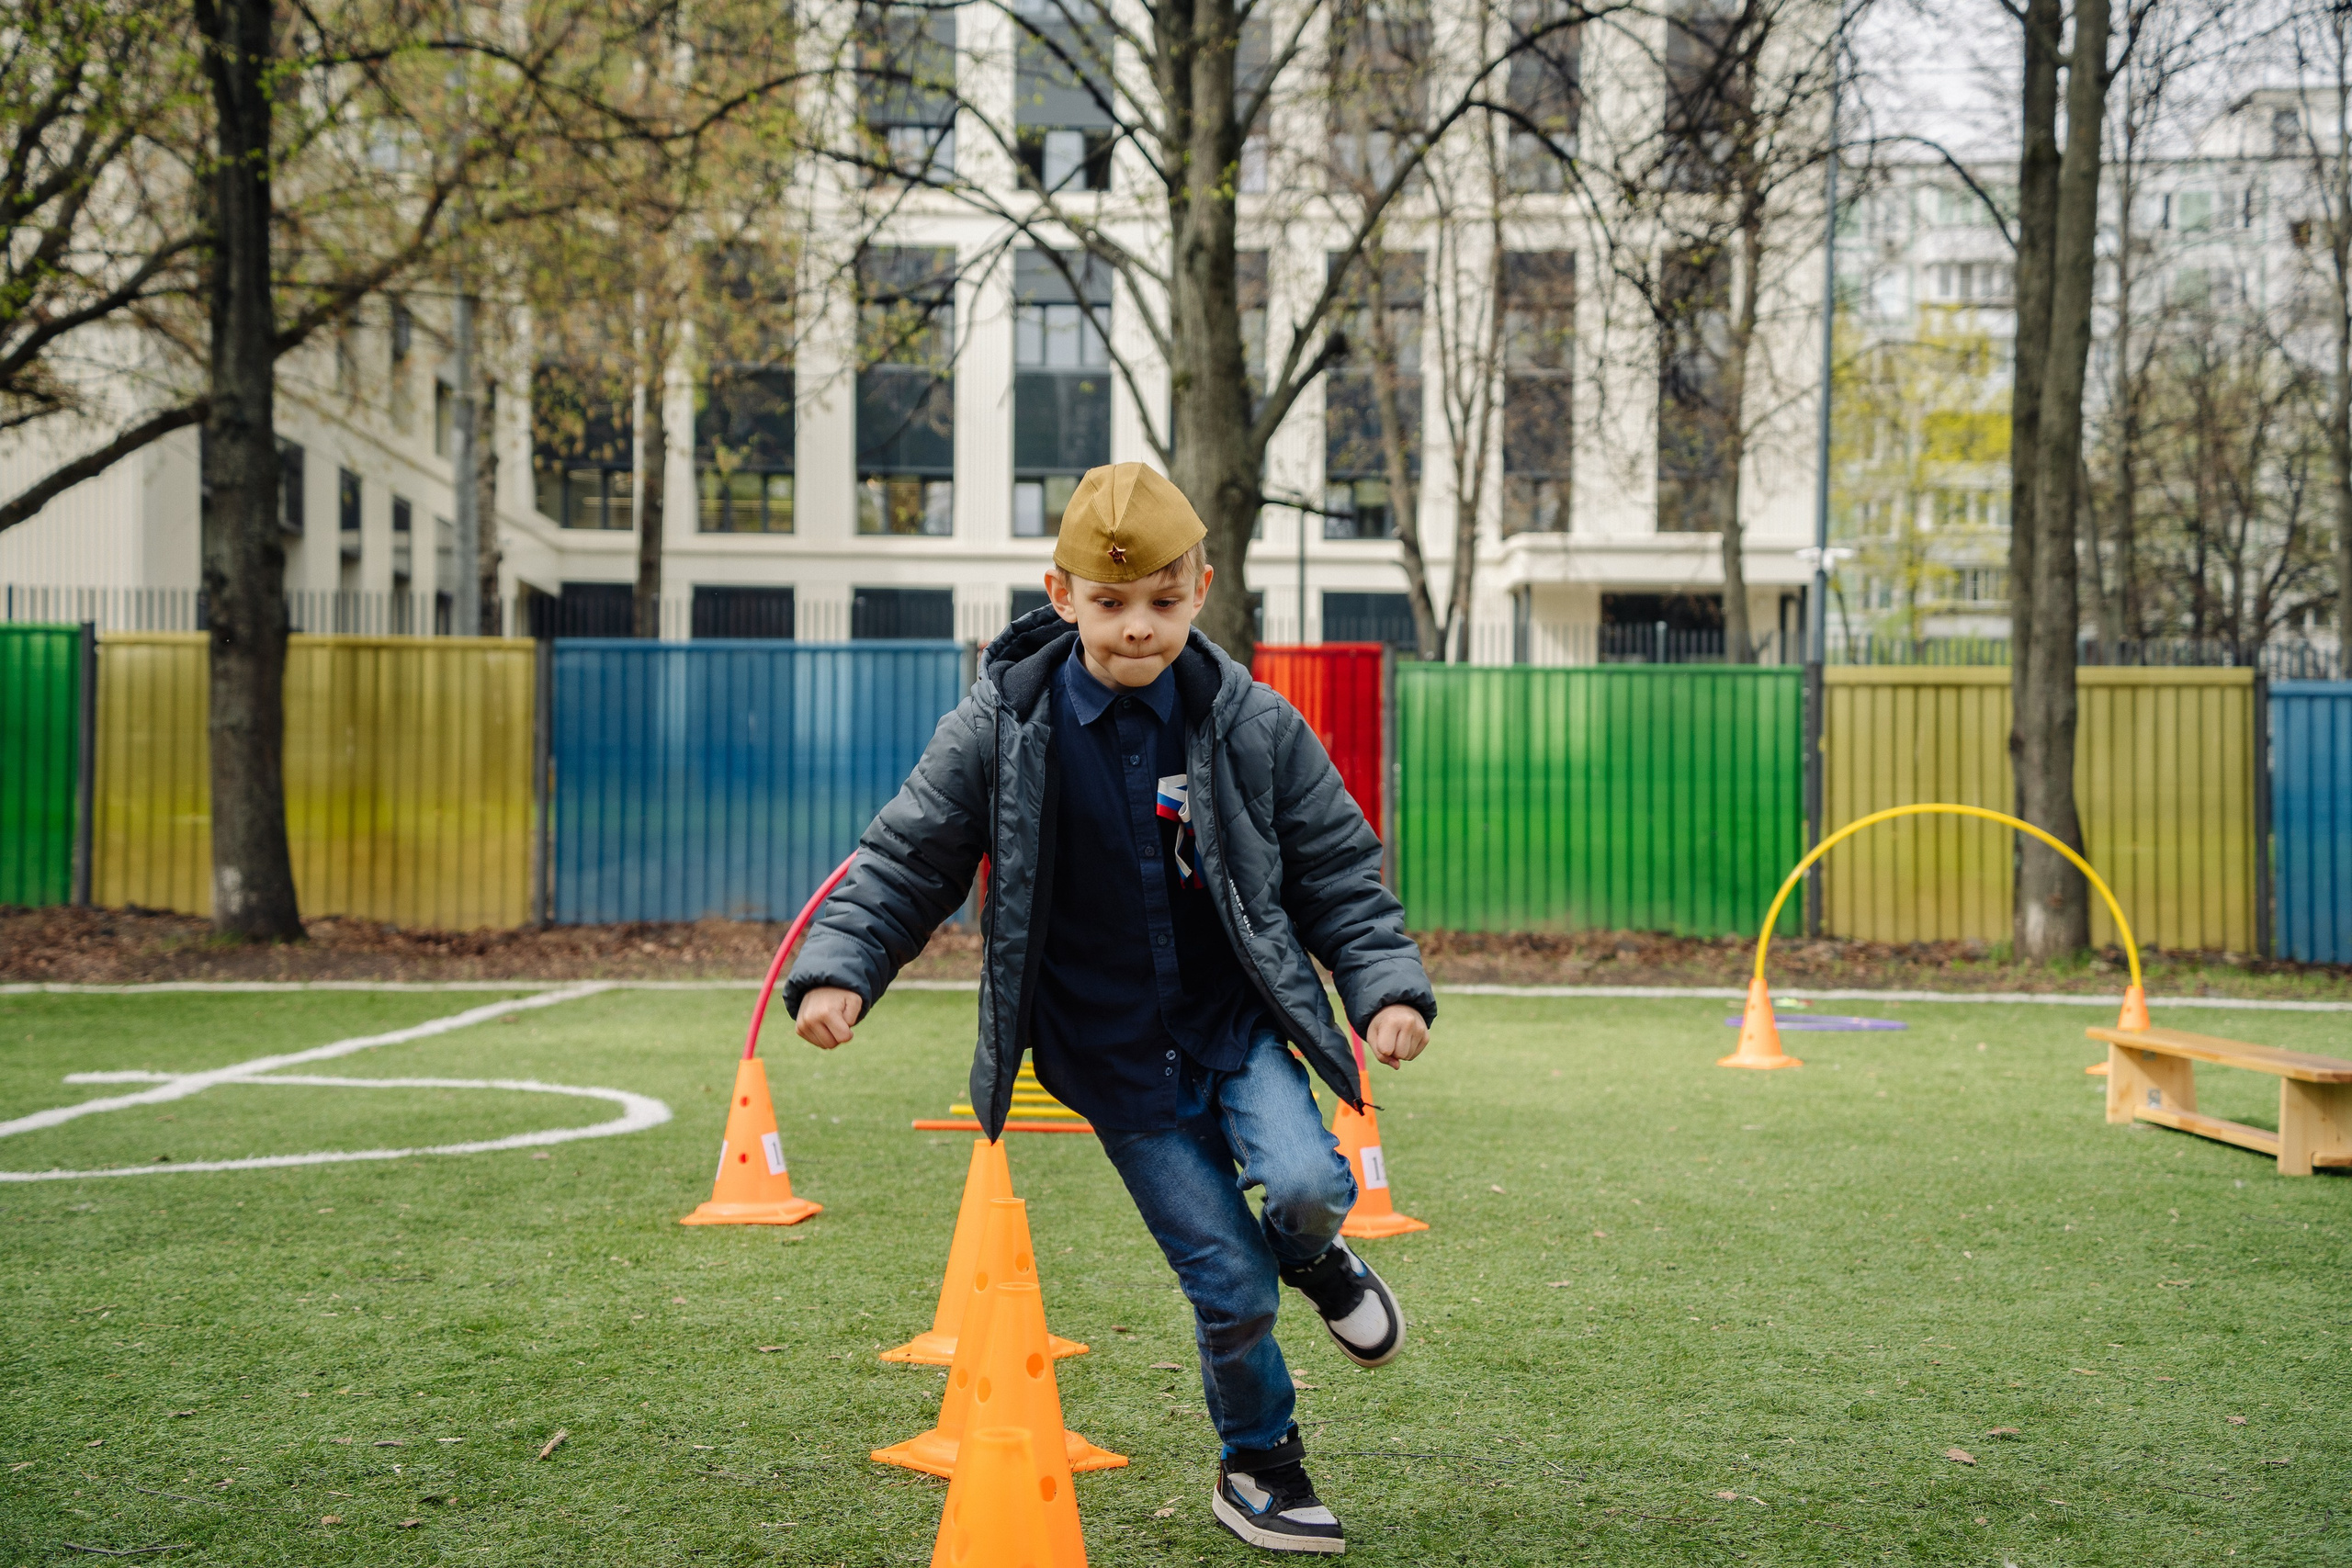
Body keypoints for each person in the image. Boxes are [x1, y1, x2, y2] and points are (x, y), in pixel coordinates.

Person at [786, 461, 1435, 1555]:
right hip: (1112, 1059)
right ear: (1062, 595)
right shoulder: (1000, 725)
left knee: (1314, 1186)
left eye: (1164, 603)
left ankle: (1319, 1260)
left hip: (1233, 1028)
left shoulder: (1253, 723)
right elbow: (906, 859)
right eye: (1111, 602)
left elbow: (1335, 872)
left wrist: (1382, 990)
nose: (1138, 627)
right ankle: (1259, 1465)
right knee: (1229, 1283)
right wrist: (839, 969)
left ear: (1201, 592)